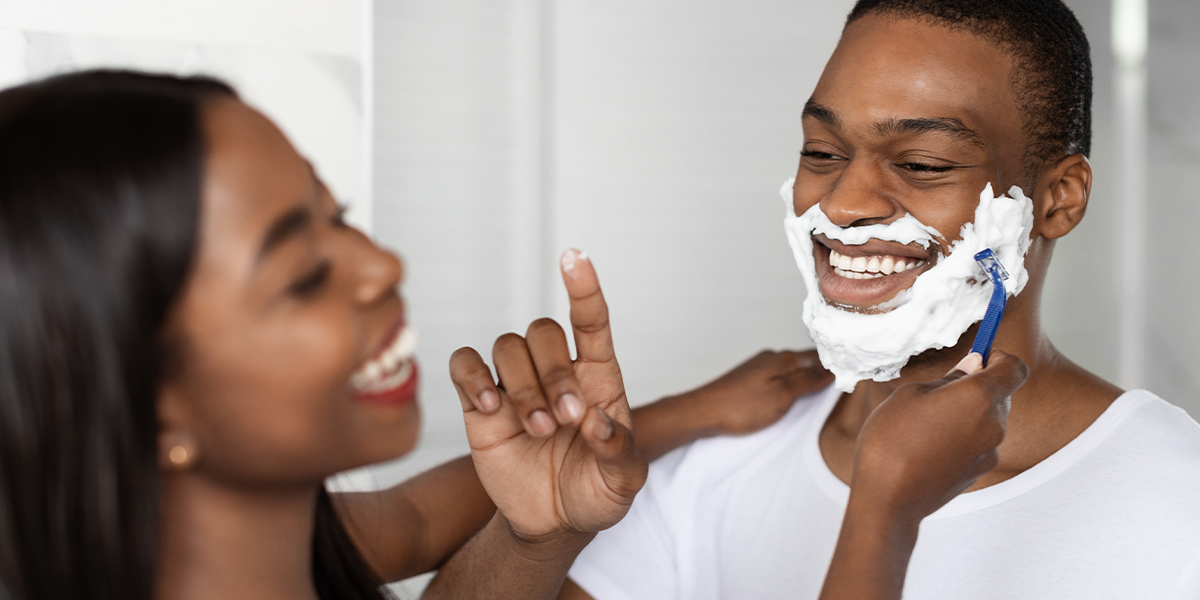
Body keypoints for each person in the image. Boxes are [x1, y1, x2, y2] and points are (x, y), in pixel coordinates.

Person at [0, 69, 1016, 600]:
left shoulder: (264, 551)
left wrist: (579, 495)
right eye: (304, 271)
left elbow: (399, 529)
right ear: (147, 396)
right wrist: (882, 512)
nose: (381, 266)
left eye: (337, 214)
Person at [554, 1, 1200, 599]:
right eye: (823, 152)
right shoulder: (713, 462)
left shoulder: (1179, 508)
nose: (843, 203)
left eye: (922, 163)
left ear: (1057, 199)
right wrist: (532, 529)